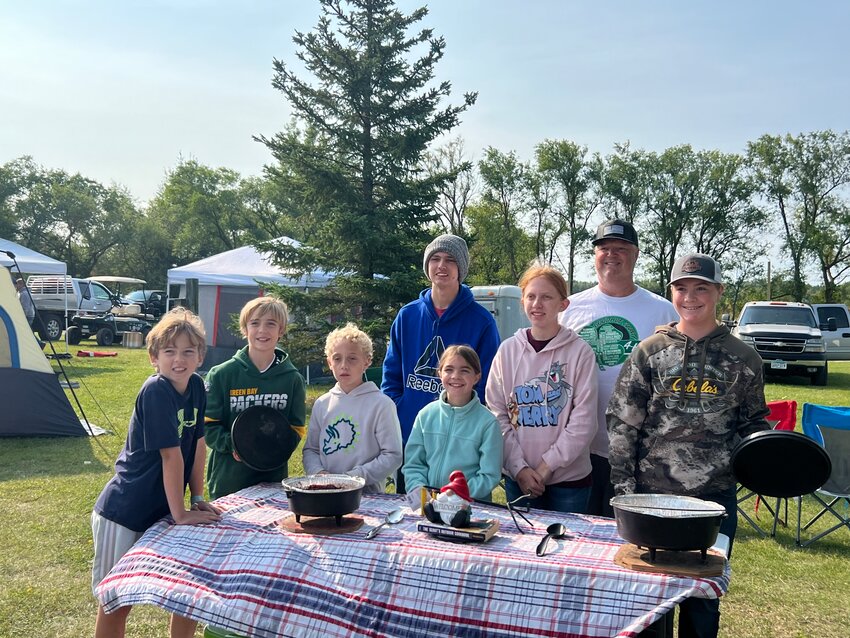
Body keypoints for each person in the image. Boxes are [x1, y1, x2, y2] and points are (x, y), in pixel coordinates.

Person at [607, 254, 769, 638]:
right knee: (649, 604)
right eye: (681, 288)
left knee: (702, 603)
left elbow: (753, 425)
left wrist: (768, 465)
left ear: (718, 292)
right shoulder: (649, 351)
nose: (690, 297)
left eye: (701, 288)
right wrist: (625, 491)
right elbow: (622, 421)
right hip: (650, 498)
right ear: (672, 293)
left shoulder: (744, 358)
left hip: (712, 501)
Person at [91, 308, 220, 638]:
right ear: (154, 357)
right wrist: (181, 514)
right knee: (115, 601)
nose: (179, 359)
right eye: (170, 351)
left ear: (200, 355)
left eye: (188, 351)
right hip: (126, 511)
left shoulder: (197, 388)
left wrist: (199, 498)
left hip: (162, 511)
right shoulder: (156, 391)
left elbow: (198, 445)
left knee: (187, 593)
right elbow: (171, 456)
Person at [559, 218, 677, 517]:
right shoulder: (569, 307)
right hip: (579, 449)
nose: (612, 254)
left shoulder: (662, 309)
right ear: (594, 255)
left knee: (629, 538)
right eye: (604, 248)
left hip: (639, 451)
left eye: (621, 248)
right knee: (580, 537)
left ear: (636, 254)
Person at [381, 233, 501, 493]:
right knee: (415, 520)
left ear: (461, 269)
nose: (442, 266)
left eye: (450, 260)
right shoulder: (407, 316)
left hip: (463, 446)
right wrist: (402, 413)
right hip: (413, 441)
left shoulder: (481, 321)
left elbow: (490, 382)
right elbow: (391, 378)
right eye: (435, 259)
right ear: (427, 267)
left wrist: (469, 421)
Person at [487, 264, 598, 514]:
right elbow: (496, 414)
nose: (538, 304)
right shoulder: (507, 351)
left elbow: (584, 422)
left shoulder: (580, 353)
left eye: (547, 297)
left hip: (570, 482)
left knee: (569, 549)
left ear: (563, 304)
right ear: (522, 301)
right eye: (531, 296)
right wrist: (519, 468)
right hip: (519, 478)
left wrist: (546, 467)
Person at [204, 296, 306, 500]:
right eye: (255, 323)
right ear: (245, 328)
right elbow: (208, 426)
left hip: (272, 479)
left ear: (281, 330)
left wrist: (272, 450)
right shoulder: (221, 375)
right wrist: (235, 446)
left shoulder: (292, 379)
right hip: (229, 479)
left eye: (271, 324)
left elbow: (296, 427)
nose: (262, 330)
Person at [303, 323, 403, 493]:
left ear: (367, 361)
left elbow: (392, 455)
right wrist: (320, 475)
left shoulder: (382, 405)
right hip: (324, 493)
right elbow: (311, 450)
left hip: (368, 497)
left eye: (352, 358)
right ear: (329, 362)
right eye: (337, 358)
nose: (344, 365)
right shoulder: (322, 404)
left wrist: (353, 479)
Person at [403, 345, 503, 508]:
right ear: (439, 373)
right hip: (428, 504)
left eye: (464, 370)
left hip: (470, 507)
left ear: (477, 377)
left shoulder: (488, 423)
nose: (456, 376)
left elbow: (489, 475)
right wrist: (419, 491)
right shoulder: (426, 415)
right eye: (449, 369)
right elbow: (414, 464)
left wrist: (454, 496)